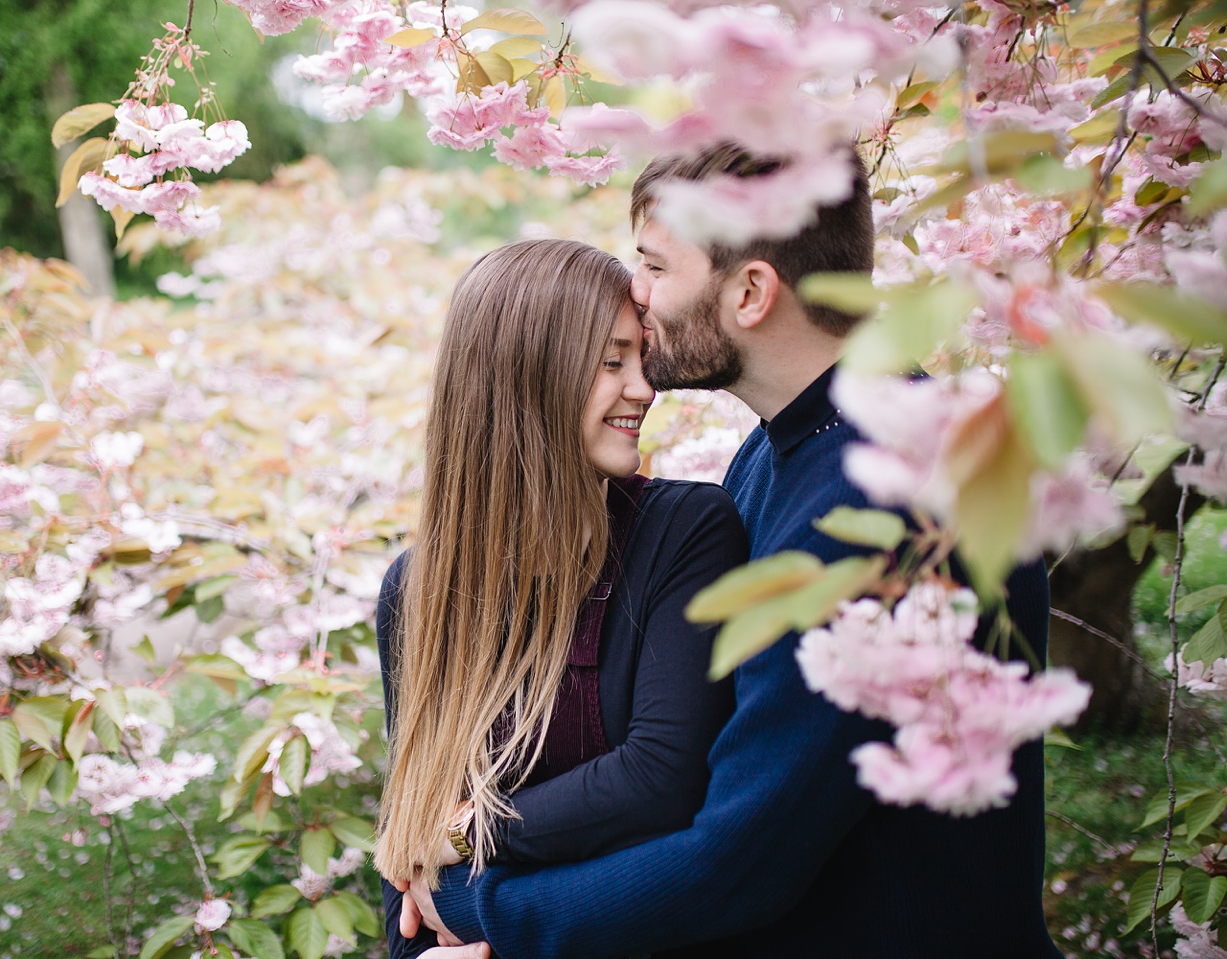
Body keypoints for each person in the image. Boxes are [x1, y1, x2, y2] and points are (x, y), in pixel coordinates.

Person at [397, 145, 1064, 958]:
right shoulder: (794, 448)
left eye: (653, 265)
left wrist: (479, 906)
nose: (636, 296)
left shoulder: (884, 500)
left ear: (749, 291)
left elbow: (736, 859)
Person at [373, 237, 751, 959]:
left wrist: (461, 831)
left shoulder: (684, 533)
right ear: (525, 375)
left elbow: (659, 779)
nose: (643, 388)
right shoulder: (417, 591)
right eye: (613, 362)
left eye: (639, 358)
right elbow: (405, 845)